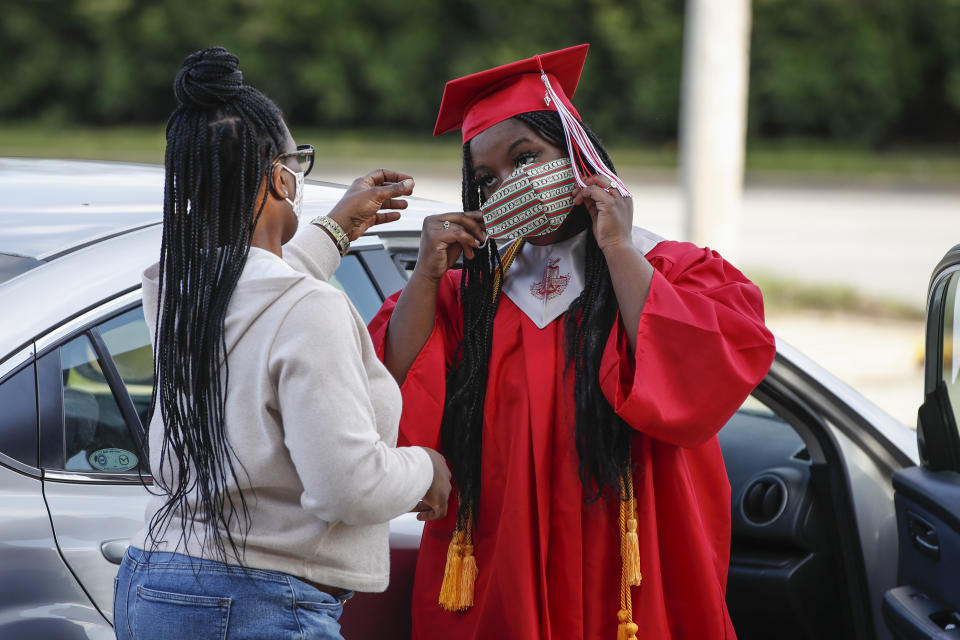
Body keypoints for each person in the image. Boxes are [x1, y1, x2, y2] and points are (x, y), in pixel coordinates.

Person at [369, 44, 777, 639]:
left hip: (633, 582)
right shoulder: (465, 300)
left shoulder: (671, 272)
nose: (510, 184)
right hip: (498, 576)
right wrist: (426, 278)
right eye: (487, 179)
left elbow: (704, 379)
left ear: (576, 153)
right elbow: (387, 402)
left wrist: (618, 248)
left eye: (527, 157)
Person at [113, 47, 451, 640]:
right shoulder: (309, 309)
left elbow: (258, 288)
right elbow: (348, 487)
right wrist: (426, 469)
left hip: (153, 582)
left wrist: (337, 230)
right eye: (299, 162)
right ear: (278, 177)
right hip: (258, 602)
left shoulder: (178, 292)